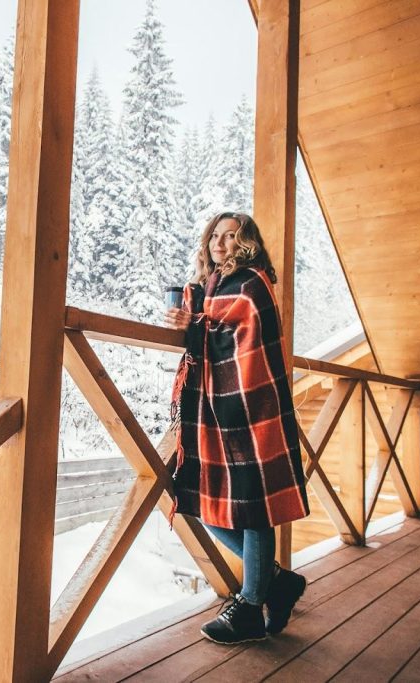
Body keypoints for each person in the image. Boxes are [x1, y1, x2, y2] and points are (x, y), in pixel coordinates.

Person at [164, 211, 311, 645]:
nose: (221, 243)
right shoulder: (206, 292)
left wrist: (195, 320)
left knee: (253, 508)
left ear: (245, 243)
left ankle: (250, 607)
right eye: (215, 235)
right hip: (213, 414)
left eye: (231, 236)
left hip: (251, 409)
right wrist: (189, 321)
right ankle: (278, 583)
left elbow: (244, 322)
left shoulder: (252, 283)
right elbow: (205, 329)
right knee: (207, 506)